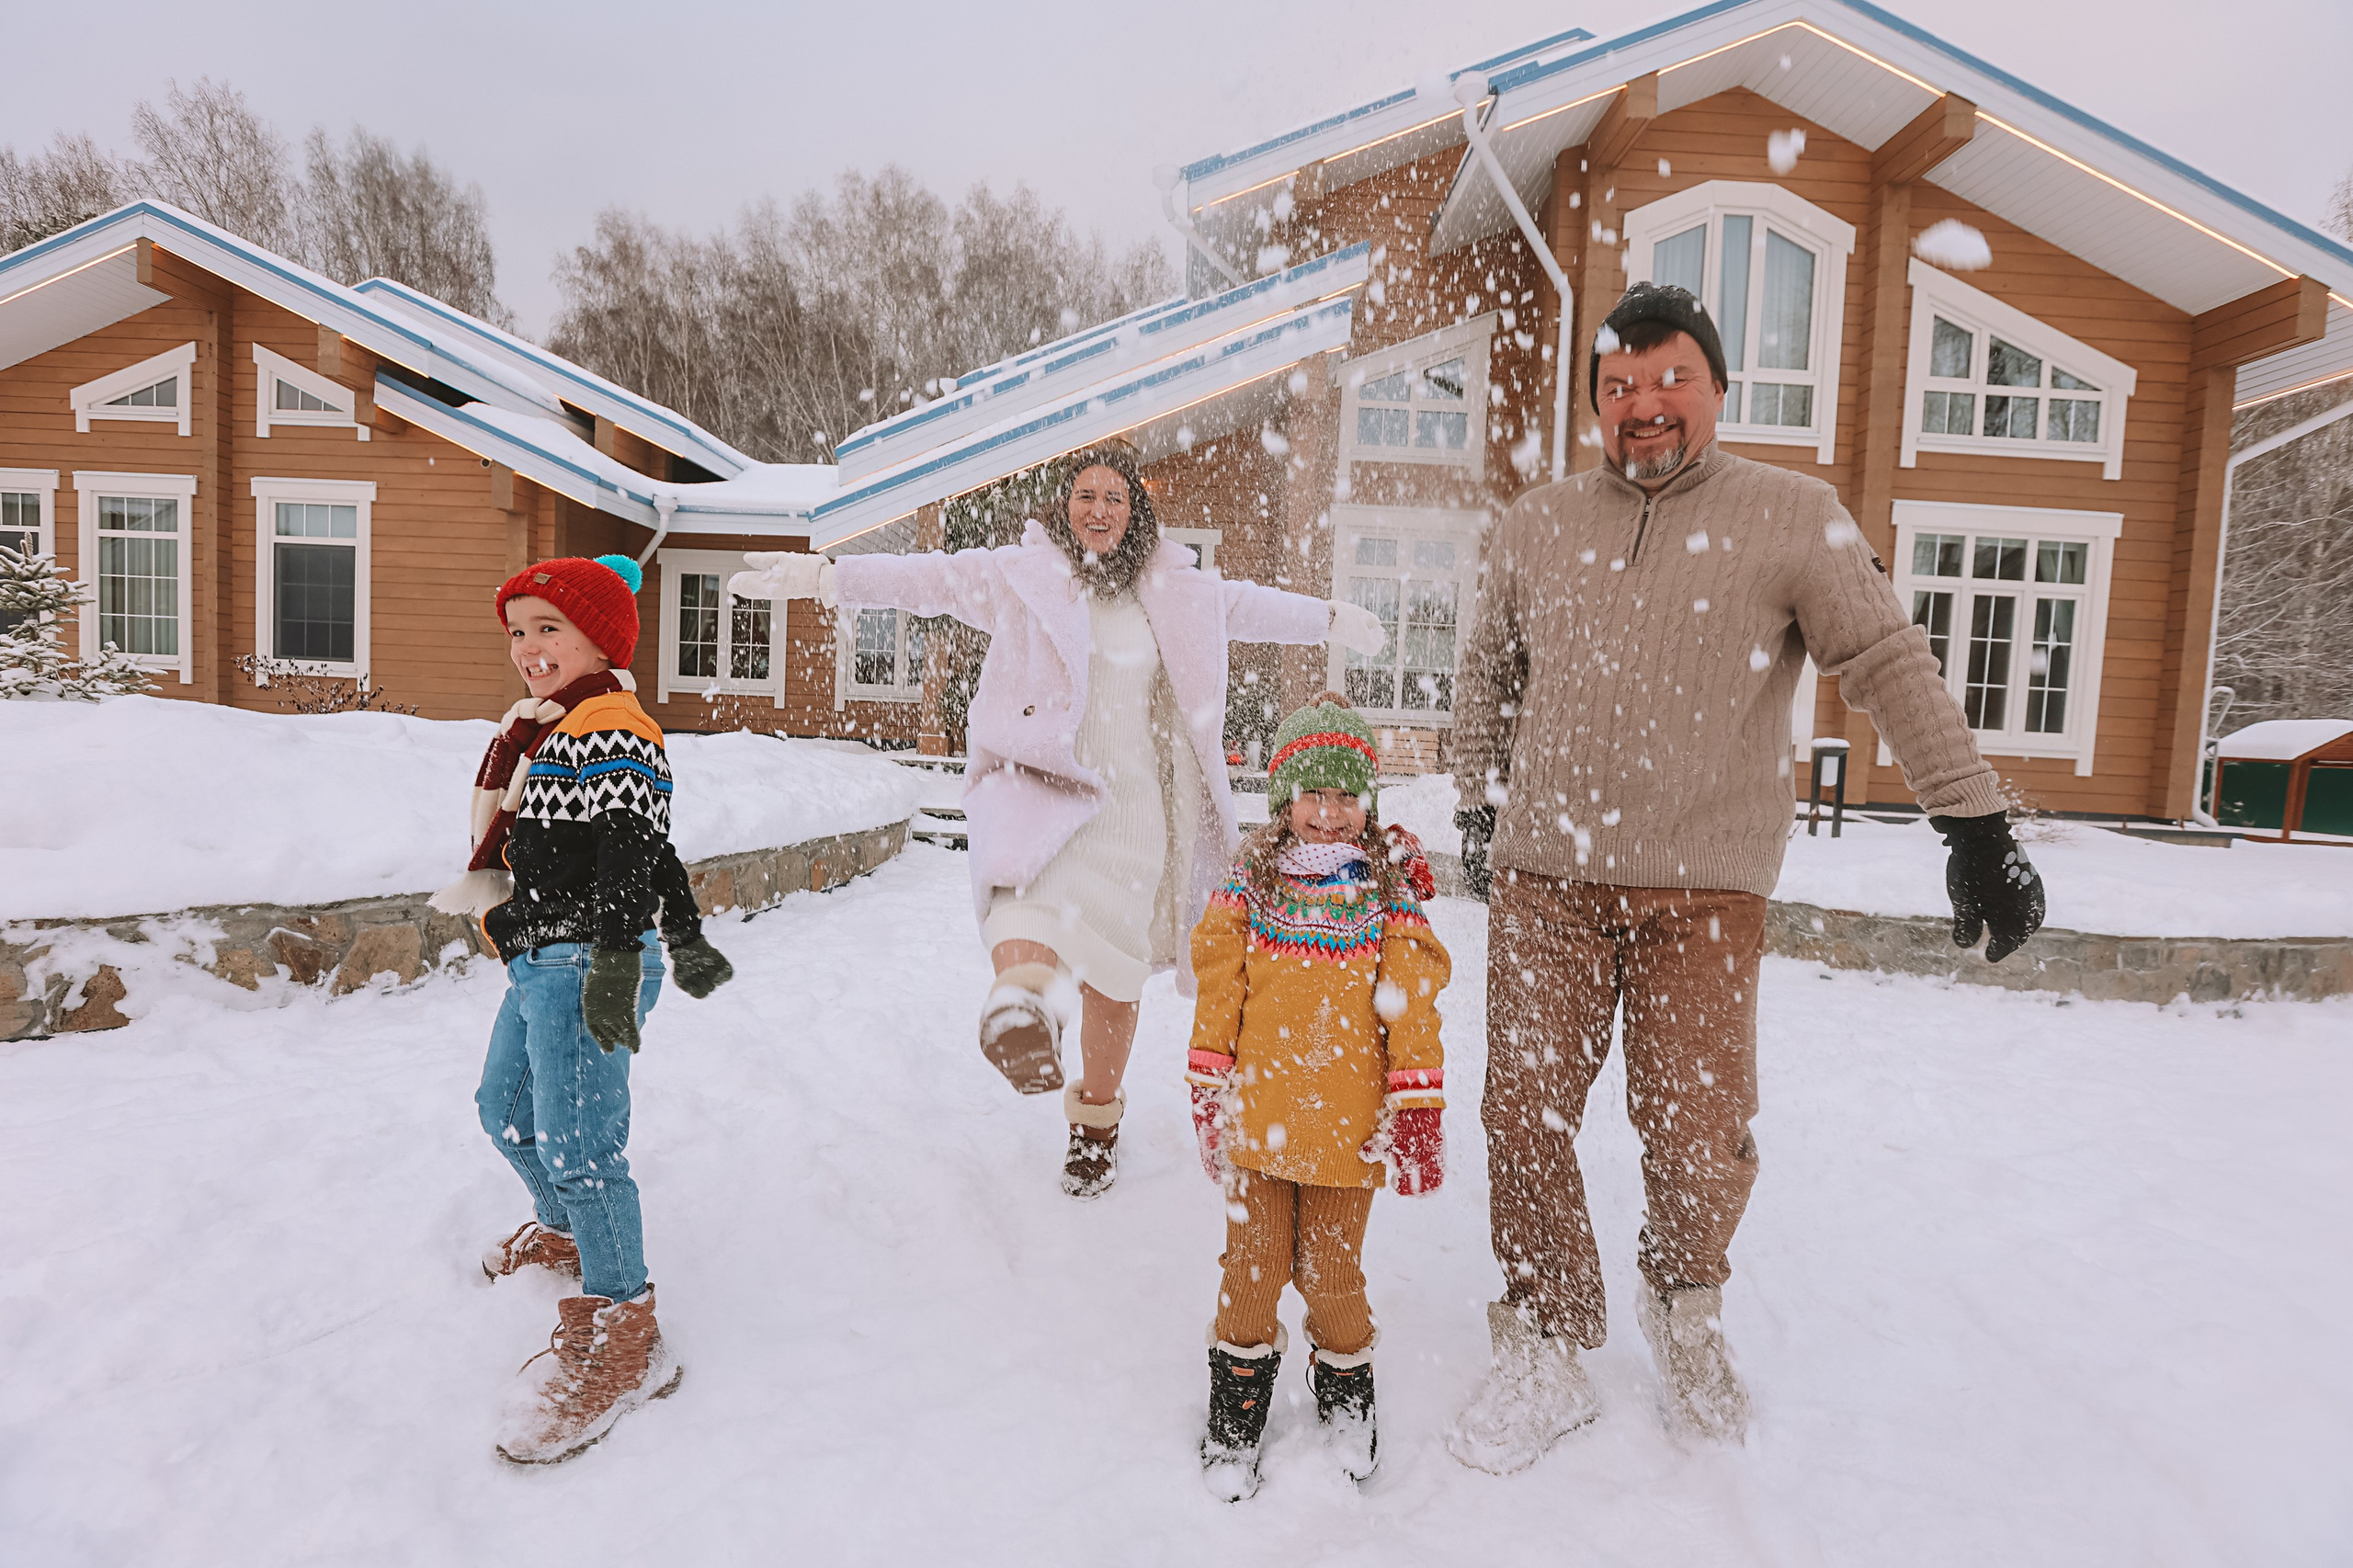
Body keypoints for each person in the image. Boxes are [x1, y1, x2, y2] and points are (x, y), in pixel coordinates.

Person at [1446, 283, 2047, 1470]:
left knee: (1697, 1131)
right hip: (1547, 881)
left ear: (1717, 387)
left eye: (1670, 381)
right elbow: (1488, 666)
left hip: (1704, 891)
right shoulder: (1536, 523)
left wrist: (1973, 819)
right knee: (1521, 1113)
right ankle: (1549, 1335)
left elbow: (1885, 658)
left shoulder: (1792, 515)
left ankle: (1686, 1307)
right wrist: (1476, 798)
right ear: (1597, 408)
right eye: (1619, 389)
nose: (1645, 409)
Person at [733, 447, 1385, 1197]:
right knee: (1026, 897)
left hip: (1135, 812)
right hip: (1044, 788)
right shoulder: (1020, 577)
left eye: (1114, 495)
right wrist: (829, 577)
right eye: (1085, 494)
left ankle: (1095, 1126)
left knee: (1114, 976)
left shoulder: (1174, 589)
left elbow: (1247, 605)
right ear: (1062, 506)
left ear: (1135, 510)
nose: (1099, 508)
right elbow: (932, 581)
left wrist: (1330, 618)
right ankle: (1022, 1010)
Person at [429, 552, 735, 1466]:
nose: (527, 648)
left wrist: (541, 928)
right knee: (506, 1110)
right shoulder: (549, 728)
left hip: (588, 959)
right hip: (543, 960)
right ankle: (566, 1227)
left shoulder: (614, 729)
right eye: (517, 630)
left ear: (602, 636)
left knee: (580, 1142)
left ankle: (624, 1329)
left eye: (548, 627)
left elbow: (629, 861)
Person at [1184, 697, 1449, 1500]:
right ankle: (1237, 1408)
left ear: (1368, 804)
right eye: (1313, 795)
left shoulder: (1386, 896)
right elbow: (1217, 987)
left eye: (1345, 797)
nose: (1330, 814)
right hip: (1258, 1122)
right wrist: (1208, 1081)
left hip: (1345, 1129)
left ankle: (1345, 1395)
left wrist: (1419, 1104)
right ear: (1283, 800)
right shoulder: (1249, 889)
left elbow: (1412, 1001)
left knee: (1332, 1271)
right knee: (1254, 1267)